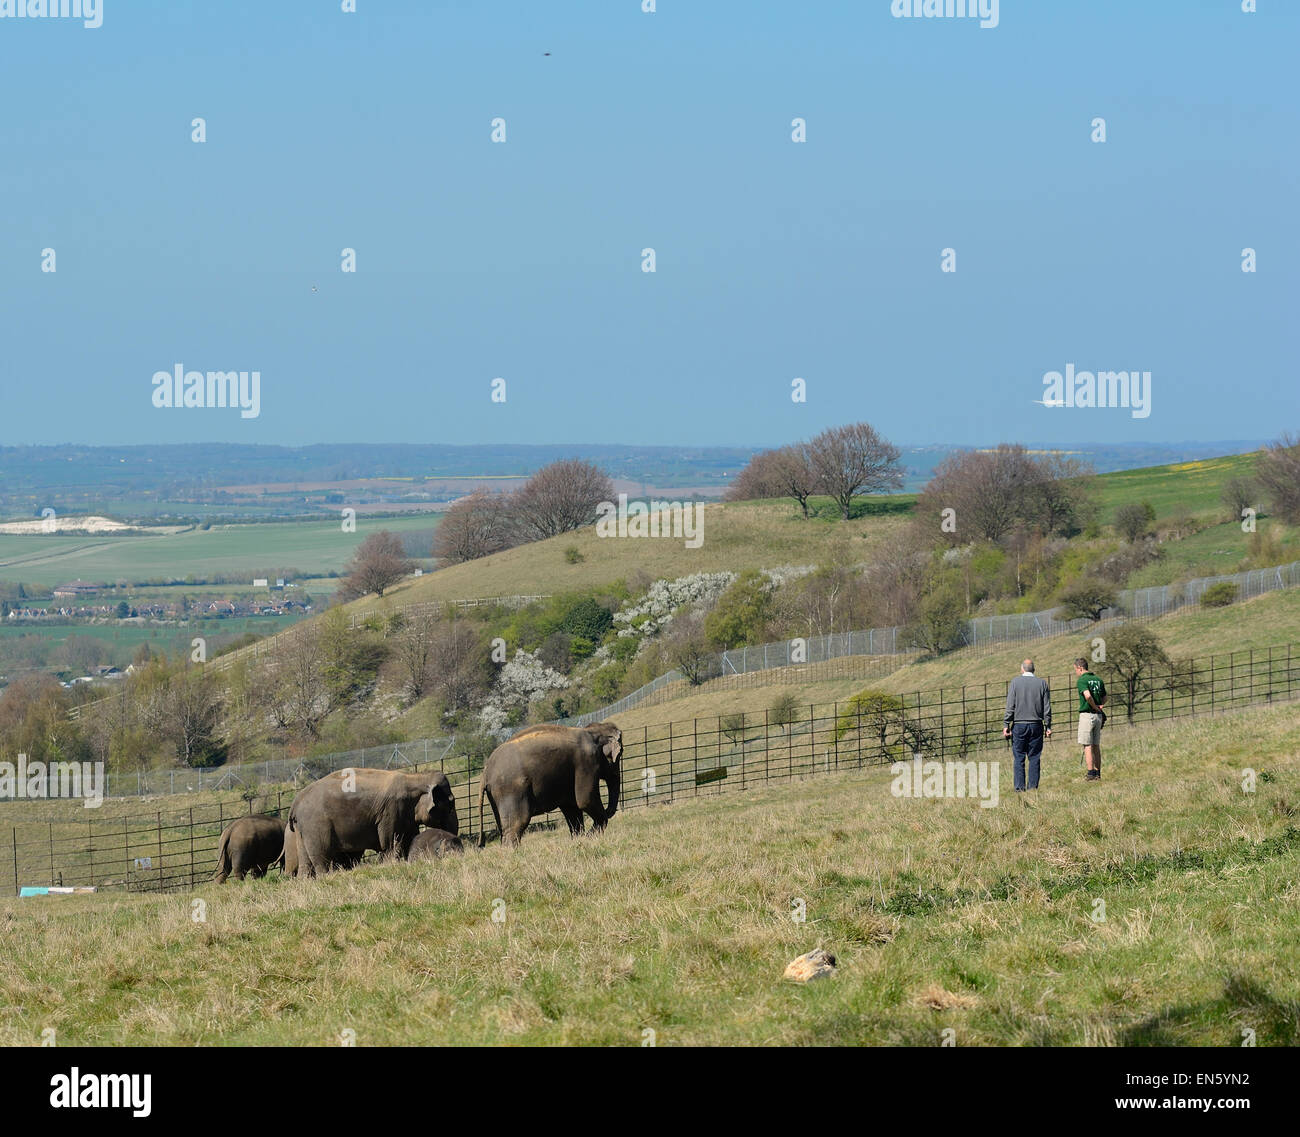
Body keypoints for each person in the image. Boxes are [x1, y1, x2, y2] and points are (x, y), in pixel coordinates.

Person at [1002, 658, 1051, 791]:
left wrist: (1006, 723)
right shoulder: (1042, 684)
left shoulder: (1015, 682)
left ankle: (1019, 788)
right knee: (1034, 757)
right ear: (1033, 669)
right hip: (1036, 724)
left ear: (1022, 669)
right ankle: (1033, 788)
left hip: (1019, 725)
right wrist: (1048, 726)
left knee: (1019, 757)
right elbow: (1047, 707)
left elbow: (1010, 705)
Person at [1073, 657, 1107, 781]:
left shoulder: (1082, 680)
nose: (1076, 672)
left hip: (1087, 715)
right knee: (1096, 745)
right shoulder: (1098, 679)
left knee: (1087, 745)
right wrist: (1100, 706)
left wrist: (1094, 706)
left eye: (1076, 670)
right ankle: (1098, 773)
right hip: (1098, 716)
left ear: (1080, 668)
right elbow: (1105, 696)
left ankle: (1090, 773)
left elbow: (1087, 696)